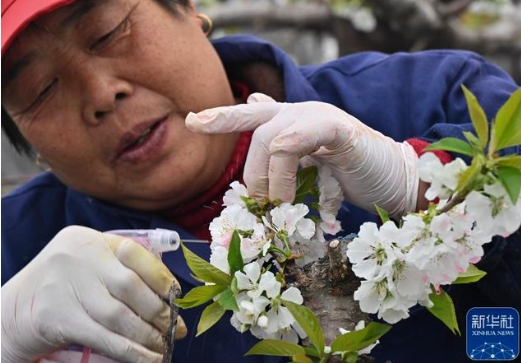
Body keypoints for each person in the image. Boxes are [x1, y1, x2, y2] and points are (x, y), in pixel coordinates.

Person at [1, 0, 520, 362]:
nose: (100, 94)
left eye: (108, 32)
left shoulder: (427, 95)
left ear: (187, 8)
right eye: (40, 89)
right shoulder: (17, 252)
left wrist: (426, 184)